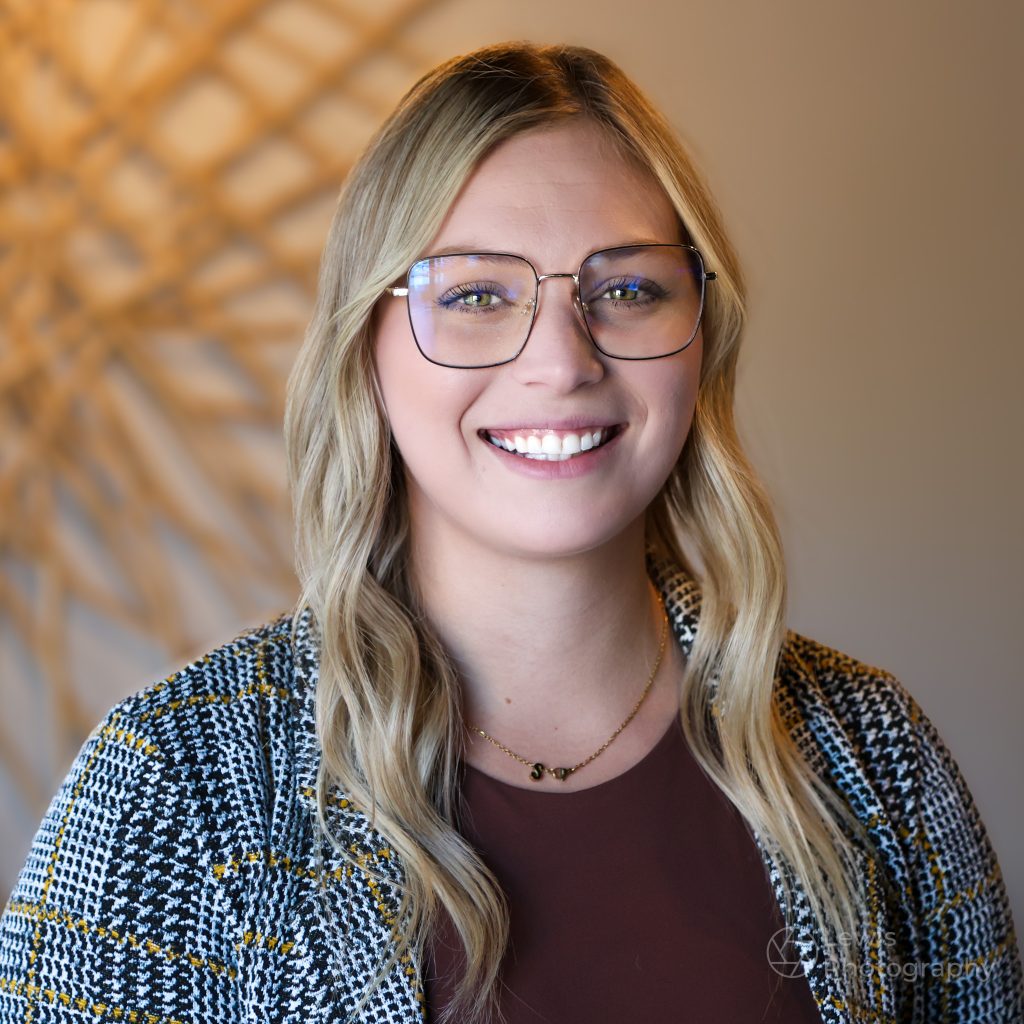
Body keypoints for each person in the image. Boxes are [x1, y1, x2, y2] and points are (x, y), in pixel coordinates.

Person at [0, 41, 1020, 1024]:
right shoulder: (171, 789)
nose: (560, 360)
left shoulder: (875, 756)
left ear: (700, 339)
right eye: (478, 294)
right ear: (367, 350)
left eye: (625, 288)